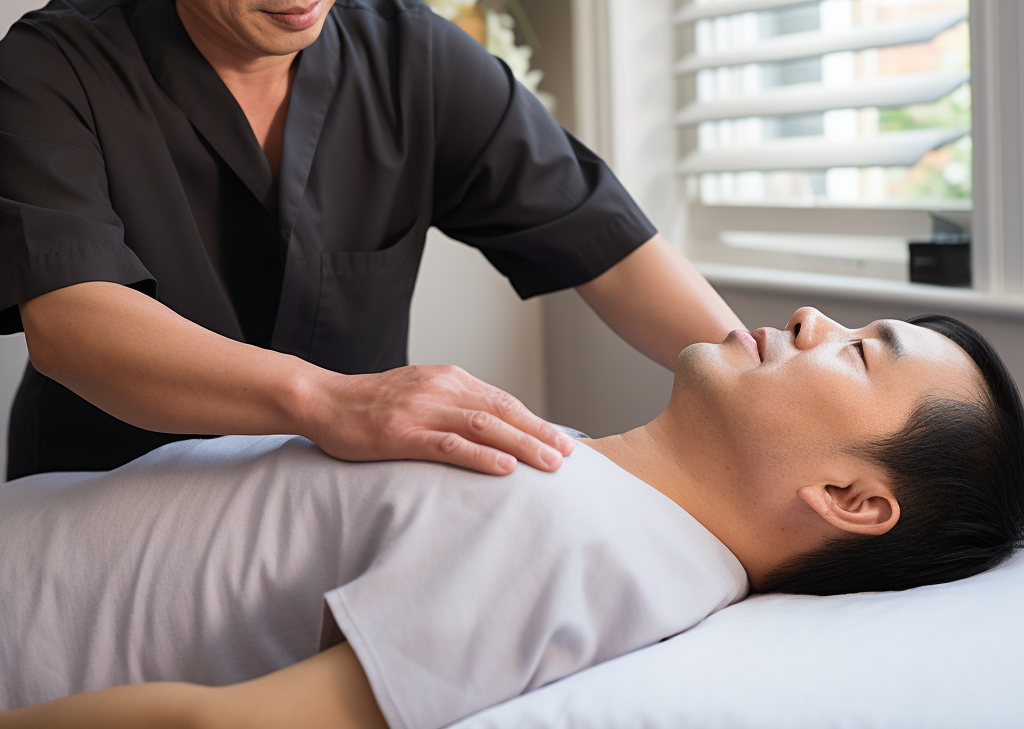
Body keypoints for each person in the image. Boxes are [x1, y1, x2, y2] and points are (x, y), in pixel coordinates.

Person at [0, 0, 741, 483]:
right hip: (105, 524)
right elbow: (72, 322)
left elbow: (609, 246)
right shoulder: (53, 71)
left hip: (345, 530)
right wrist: (328, 401)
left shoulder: (411, 59)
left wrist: (756, 375)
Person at [2, 308, 1022, 728]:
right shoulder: (593, 496)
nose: (809, 319)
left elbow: (230, 726)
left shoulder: (583, 548)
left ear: (849, 499)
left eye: (855, 352)